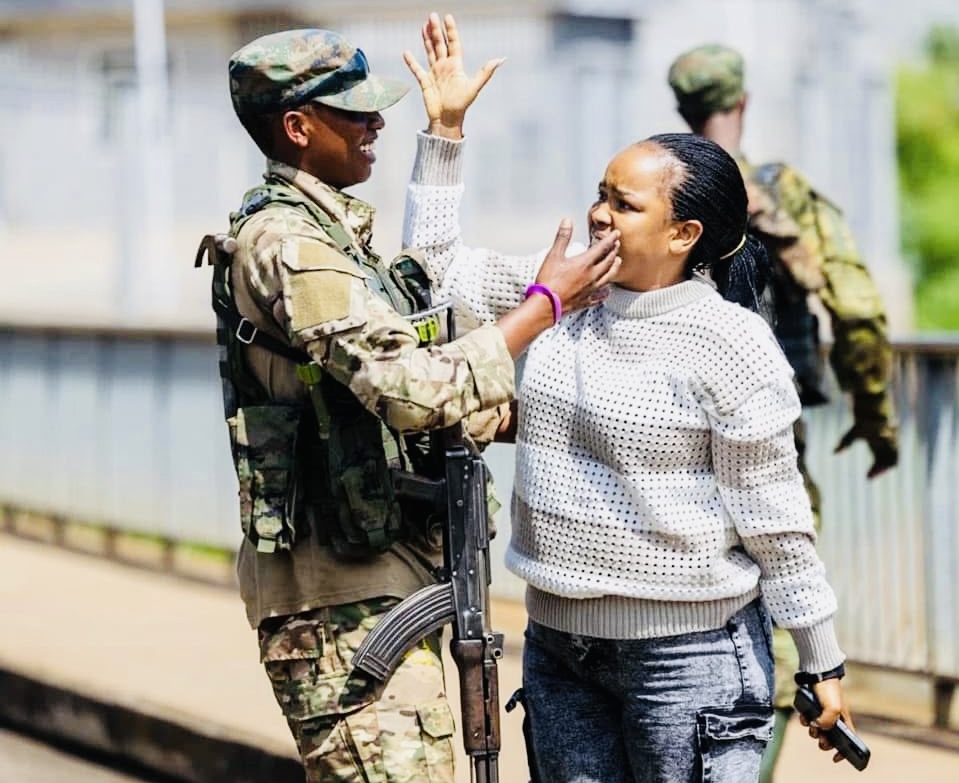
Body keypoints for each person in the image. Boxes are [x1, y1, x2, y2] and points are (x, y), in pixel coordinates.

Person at [402, 14, 859, 783]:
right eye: (598, 195)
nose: (599, 215)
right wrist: (444, 131)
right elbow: (429, 268)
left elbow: (777, 527)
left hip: (689, 664)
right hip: (557, 650)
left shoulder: (731, 342)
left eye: (623, 204)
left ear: (683, 233)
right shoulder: (556, 292)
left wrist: (821, 663)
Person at [208, 26, 620, 783]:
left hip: (380, 581)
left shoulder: (332, 235)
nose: (375, 125)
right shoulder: (288, 245)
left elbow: (426, 323)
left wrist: (447, 132)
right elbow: (406, 389)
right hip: (339, 600)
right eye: (354, 112)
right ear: (298, 128)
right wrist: (545, 304)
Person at [667, 43, 898, 781]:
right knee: (769, 597)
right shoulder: (778, 191)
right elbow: (856, 307)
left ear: (682, 109)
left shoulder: (655, 184)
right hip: (766, 436)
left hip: (659, 440)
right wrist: (872, 414)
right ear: (742, 102)